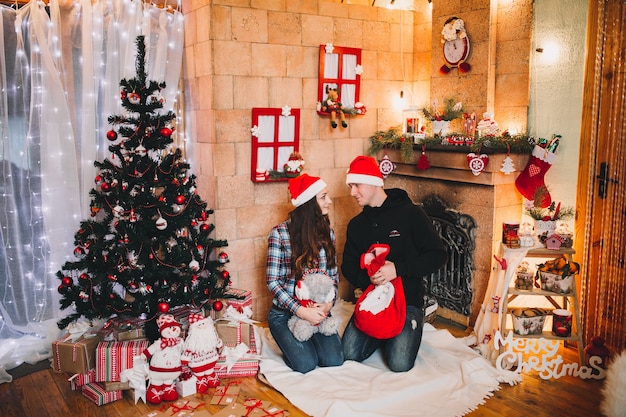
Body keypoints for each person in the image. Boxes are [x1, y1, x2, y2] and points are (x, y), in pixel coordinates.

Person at [341, 155, 448, 372]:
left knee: (399, 364)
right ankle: (384, 333)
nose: (352, 192)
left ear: (373, 181)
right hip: (374, 299)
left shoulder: (411, 214)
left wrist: (398, 269)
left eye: (356, 185)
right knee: (349, 354)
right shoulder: (356, 225)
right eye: (350, 186)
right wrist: (368, 279)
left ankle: (409, 325)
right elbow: (348, 266)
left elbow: (438, 255)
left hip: (407, 300)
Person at [266, 173, 344, 373]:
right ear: (310, 203)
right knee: (306, 364)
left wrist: (328, 304)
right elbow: (273, 282)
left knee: (334, 360)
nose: (330, 201)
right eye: (323, 197)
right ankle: (293, 343)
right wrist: (301, 311)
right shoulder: (280, 234)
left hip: (318, 311)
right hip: (285, 314)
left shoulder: (328, 234)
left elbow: (334, 278)